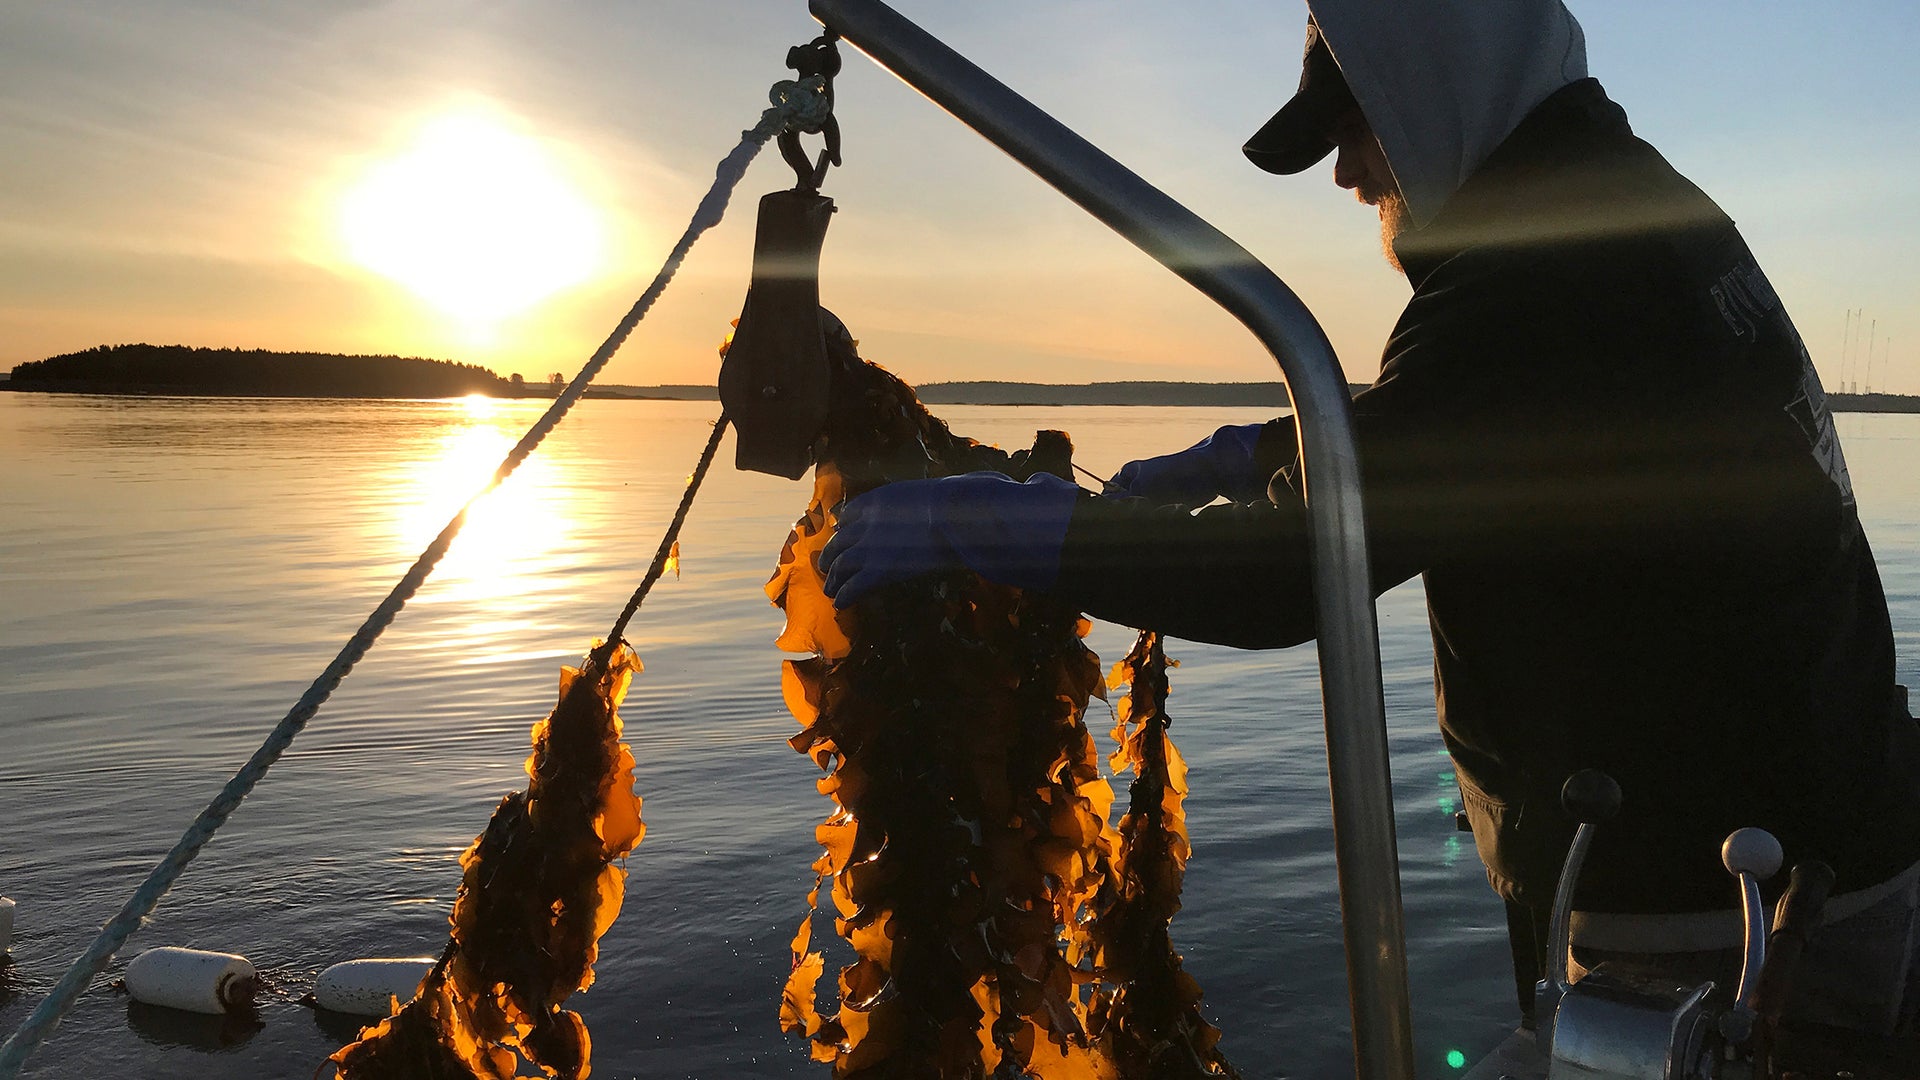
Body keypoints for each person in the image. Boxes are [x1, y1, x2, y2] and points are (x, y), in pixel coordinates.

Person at [818, 0, 1920, 1035]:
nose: (1346, 172)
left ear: (1440, 83)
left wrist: (1006, 530)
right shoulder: (1617, 209)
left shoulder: (1537, 275)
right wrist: (1252, 450)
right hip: (1804, 846)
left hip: (1726, 915)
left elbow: (1298, 567)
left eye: (1356, 126)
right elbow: (1489, 426)